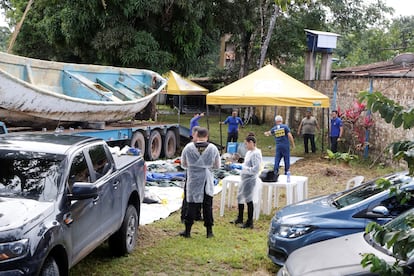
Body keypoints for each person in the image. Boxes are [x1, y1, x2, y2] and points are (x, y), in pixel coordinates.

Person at [179, 127, 221, 238]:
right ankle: (209, 231)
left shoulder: (188, 148)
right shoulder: (212, 148)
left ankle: (187, 231)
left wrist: (194, 166)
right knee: (207, 206)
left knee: (191, 204)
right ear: (207, 136)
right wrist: (207, 166)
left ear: (197, 136)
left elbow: (183, 164)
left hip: (193, 179)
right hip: (207, 180)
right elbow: (217, 166)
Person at [230, 133, 262, 229]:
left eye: (246, 144)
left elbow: (256, 168)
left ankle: (249, 221)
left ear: (251, 143)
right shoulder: (249, 153)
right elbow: (246, 164)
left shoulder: (256, 154)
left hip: (250, 178)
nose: (245, 146)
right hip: (244, 178)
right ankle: (240, 217)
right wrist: (240, 167)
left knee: (248, 199)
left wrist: (244, 169)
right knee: (240, 196)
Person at [180, 126, 202, 223]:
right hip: (191, 174)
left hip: (201, 175)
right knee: (188, 195)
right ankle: (184, 216)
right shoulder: (189, 147)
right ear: (193, 135)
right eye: (198, 135)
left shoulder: (204, 146)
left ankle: (197, 214)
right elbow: (183, 162)